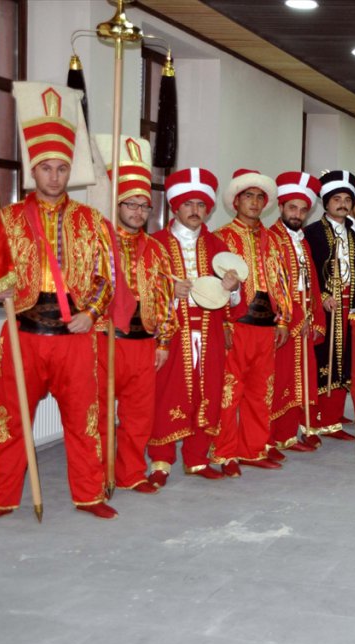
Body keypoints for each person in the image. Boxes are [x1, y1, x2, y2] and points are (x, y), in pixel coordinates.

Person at [0, 83, 117, 524]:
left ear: (69, 172)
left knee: (83, 420)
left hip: (74, 338)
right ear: (33, 171)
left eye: (61, 169)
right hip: (22, 334)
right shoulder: (8, 220)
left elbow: (106, 277)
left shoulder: (92, 221)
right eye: (46, 168)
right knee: (9, 421)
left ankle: (89, 494)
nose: (53, 176)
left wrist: (90, 313)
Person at [148, 168, 241, 485]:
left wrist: (231, 287)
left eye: (201, 205)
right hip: (171, 333)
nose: (195, 211)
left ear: (209, 209)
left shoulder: (217, 246)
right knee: (166, 393)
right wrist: (168, 292)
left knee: (209, 391)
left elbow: (234, 298)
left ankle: (197, 457)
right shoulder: (155, 244)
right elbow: (141, 291)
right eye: (188, 204)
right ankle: (161, 460)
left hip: (210, 331)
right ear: (175, 207)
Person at [96, 135, 176, 494]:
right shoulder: (100, 243)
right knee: (97, 415)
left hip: (144, 344)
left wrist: (163, 341)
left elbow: (165, 298)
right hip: (106, 340)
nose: (139, 212)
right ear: (117, 205)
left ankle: (130, 473)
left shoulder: (157, 250)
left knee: (138, 415)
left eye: (145, 206)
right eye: (131, 205)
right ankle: (97, 476)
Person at [211, 169, 291, 474]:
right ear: (236, 200)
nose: (255, 203)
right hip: (237, 325)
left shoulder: (273, 240)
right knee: (229, 392)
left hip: (266, 326)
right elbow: (214, 285)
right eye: (248, 196)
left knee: (261, 392)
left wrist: (283, 320)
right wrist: (224, 324)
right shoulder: (221, 238)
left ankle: (254, 449)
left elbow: (281, 282)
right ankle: (225, 453)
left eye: (260, 197)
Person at [305, 170, 355, 440]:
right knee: (322, 362)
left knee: (344, 362)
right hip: (325, 308)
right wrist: (321, 297)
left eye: (347, 199)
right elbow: (307, 272)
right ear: (326, 202)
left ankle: (332, 420)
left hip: (349, 307)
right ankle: (314, 420)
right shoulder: (312, 233)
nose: (343, 204)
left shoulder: (352, 234)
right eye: (337, 199)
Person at [267, 171, 326, 455]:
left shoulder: (302, 241)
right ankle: (272, 435)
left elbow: (313, 283)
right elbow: (272, 285)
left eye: (303, 209)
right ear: (280, 207)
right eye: (292, 207)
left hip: (305, 319)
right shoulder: (270, 239)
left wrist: (316, 320)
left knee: (302, 377)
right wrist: (295, 318)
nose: (297, 214)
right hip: (284, 322)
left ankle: (295, 430)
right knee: (280, 379)